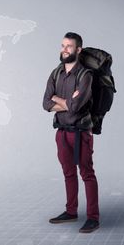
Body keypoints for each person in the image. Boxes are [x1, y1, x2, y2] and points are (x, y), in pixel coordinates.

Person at [42, 32, 99, 233]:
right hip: (61, 132)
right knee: (68, 173)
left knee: (87, 173)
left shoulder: (86, 75)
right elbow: (45, 103)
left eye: (69, 46)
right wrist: (66, 101)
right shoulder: (55, 73)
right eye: (63, 45)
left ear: (78, 50)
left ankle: (93, 217)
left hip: (81, 132)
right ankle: (71, 211)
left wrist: (57, 99)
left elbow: (75, 107)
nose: (64, 49)